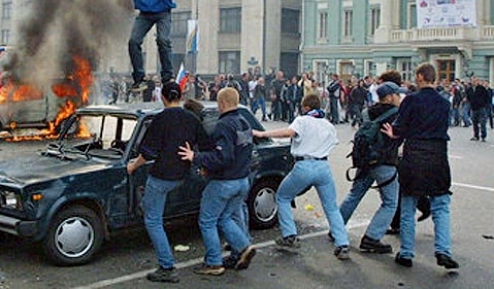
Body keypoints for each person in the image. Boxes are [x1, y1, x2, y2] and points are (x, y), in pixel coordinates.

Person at [87, 0, 218, 89]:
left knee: (163, 40)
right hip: (145, 14)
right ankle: (139, 78)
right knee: (133, 42)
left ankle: (167, 76)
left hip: (163, 13)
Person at [127, 81, 212, 283]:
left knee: (152, 219)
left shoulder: (160, 119)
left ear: (162, 97)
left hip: (161, 176)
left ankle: (167, 266)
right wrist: (200, 163)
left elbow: (147, 152)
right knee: (154, 209)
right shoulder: (192, 118)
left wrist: (132, 166)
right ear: (180, 97)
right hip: (181, 175)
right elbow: (207, 145)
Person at [252, 93, 351, 260]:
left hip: (304, 165)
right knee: (331, 207)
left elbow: (288, 133)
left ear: (305, 107)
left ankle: (289, 235)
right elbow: (332, 143)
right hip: (323, 166)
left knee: (283, 196)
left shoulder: (302, 120)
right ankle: (342, 244)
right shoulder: (328, 124)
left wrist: (263, 134)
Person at [382, 62, 459, 270]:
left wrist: (393, 133)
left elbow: (400, 127)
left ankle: (406, 253)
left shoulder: (411, 101)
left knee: (408, 205)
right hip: (438, 156)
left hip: (414, 155)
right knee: (441, 206)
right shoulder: (444, 103)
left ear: (420, 76)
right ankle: (443, 250)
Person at [179, 87, 256, 276]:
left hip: (224, 183)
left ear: (222, 104)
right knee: (225, 218)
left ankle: (214, 263)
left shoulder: (224, 125)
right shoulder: (244, 122)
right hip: (242, 181)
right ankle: (244, 247)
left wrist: (195, 156)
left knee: (207, 221)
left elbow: (223, 157)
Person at [338, 81, 406, 254]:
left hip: (364, 160)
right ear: (390, 97)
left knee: (354, 194)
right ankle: (372, 238)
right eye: (397, 95)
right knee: (390, 202)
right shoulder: (396, 114)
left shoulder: (367, 112)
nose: (400, 98)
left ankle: (336, 229)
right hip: (384, 162)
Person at [467, 76, 488, 142]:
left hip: (481, 108)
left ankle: (483, 136)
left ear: (478, 81)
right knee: (474, 122)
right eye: (472, 81)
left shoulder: (482, 88)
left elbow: (486, 98)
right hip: (473, 108)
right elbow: (468, 96)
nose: (474, 82)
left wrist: (484, 105)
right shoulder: (469, 89)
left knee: (482, 123)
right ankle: (476, 136)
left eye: (475, 81)